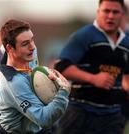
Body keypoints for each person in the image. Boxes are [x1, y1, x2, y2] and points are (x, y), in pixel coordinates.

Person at [54, 0, 129, 134]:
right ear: (98, 12)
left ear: (122, 15)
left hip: (112, 117)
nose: (110, 16)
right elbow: (61, 66)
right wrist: (93, 78)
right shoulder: (84, 36)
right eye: (106, 11)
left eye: (115, 12)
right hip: (81, 113)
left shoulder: (126, 43)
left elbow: (126, 77)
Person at [0, 19, 71, 134]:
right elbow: (43, 119)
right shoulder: (14, 82)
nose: (32, 47)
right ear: (10, 49)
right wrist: (63, 91)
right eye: (25, 43)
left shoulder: (26, 52)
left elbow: (3, 46)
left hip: (34, 128)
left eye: (32, 40)